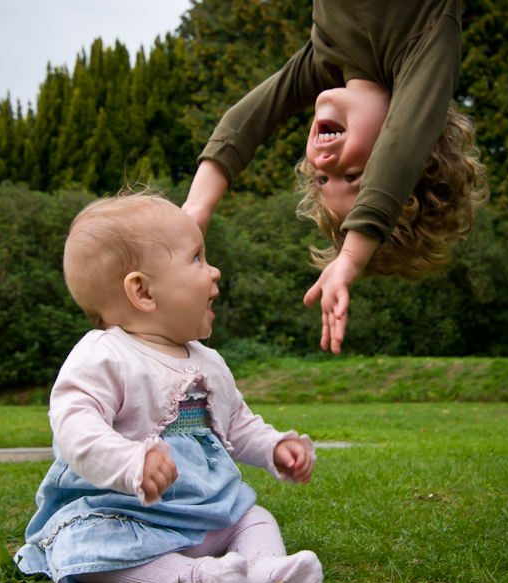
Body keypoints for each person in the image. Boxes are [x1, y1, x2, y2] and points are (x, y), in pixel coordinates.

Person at [14, 192, 323, 583]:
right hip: (125, 515)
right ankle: (194, 576)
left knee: (252, 516)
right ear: (143, 292)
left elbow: (237, 424)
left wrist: (275, 447)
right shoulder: (104, 355)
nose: (213, 271)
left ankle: (265, 569)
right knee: (89, 547)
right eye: (196, 258)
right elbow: (75, 430)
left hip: (205, 511)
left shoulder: (208, 361)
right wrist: (130, 462)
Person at [183, 0, 488, 355]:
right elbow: (402, 146)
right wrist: (350, 260)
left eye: (322, 180)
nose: (325, 163)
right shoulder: (426, 47)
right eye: (354, 176)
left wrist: (196, 207)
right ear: (424, 154)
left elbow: (249, 121)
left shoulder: (326, 60)